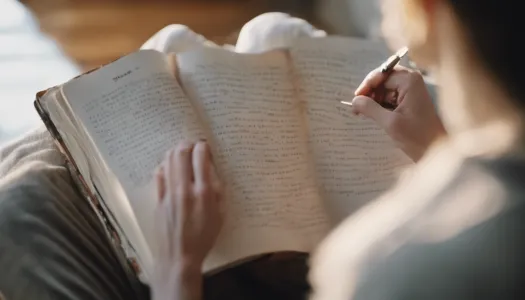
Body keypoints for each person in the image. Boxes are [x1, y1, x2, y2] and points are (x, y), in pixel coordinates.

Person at [151, 0, 525, 299]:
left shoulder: (386, 265)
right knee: (272, 31)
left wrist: (177, 273)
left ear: (424, 10)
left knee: (171, 45)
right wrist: (432, 147)